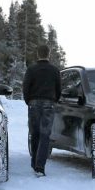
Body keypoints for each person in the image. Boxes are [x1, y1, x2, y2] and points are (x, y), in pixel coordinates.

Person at [23, 45, 61, 177]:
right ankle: (40, 167)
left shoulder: (31, 69)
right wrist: (54, 100)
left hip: (34, 103)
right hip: (49, 103)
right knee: (45, 136)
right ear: (48, 54)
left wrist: (28, 101)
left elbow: (26, 87)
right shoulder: (55, 70)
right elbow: (58, 88)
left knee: (35, 134)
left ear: (38, 54)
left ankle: (34, 163)